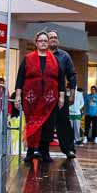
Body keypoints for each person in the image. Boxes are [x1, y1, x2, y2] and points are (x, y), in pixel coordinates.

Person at [15, 31, 65, 163]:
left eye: (45, 40)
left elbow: (60, 79)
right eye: (40, 40)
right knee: (32, 124)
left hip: (50, 99)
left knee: (48, 126)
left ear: (48, 43)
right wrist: (18, 95)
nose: (43, 42)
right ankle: (31, 151)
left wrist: (61, 96)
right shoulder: (28, 58)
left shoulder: (55, 60)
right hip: (32, 100)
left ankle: (45, 152)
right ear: (36, 43)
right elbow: (20, 77)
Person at [47, 30, 77, 159]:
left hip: (61, 95)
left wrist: (72, 93)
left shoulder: (65, 56)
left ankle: (68, 149)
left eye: (55, 37)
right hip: (44, 95)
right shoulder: (40, 55)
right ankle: (41, 150)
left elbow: (72, 75)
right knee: (45, 123)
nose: (54, 39)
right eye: (51, 37)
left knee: (63, 122)